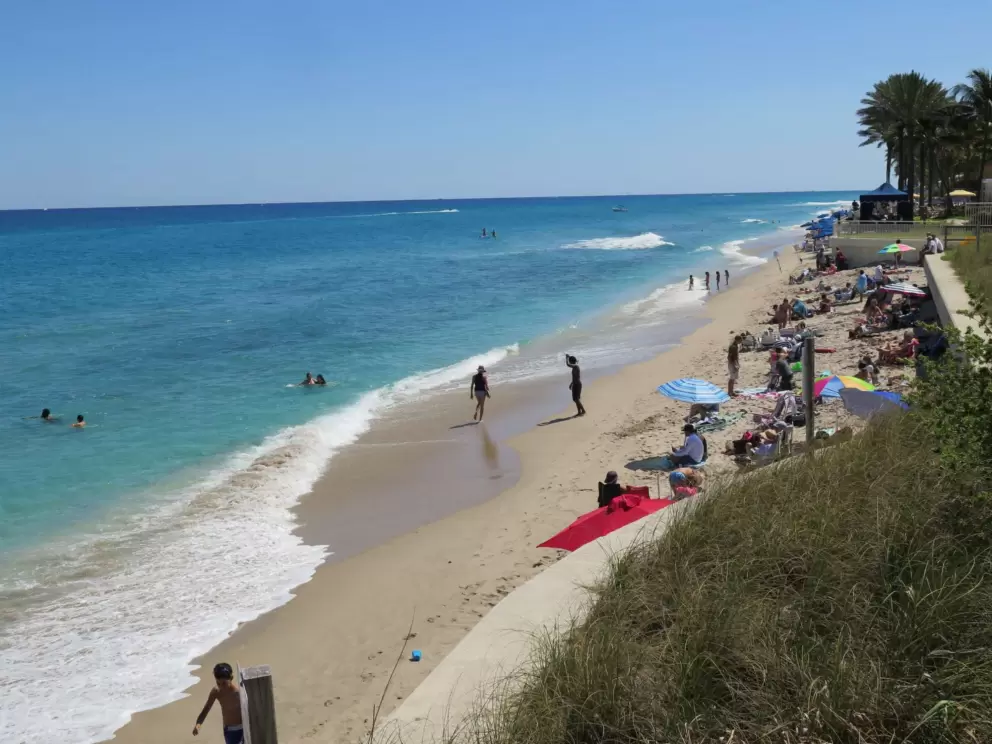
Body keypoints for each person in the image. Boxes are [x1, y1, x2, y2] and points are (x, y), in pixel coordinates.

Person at [192, 662, 244, 744]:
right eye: (218, 683)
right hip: (229, 730)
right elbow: (206, 709)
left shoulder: (239, 693)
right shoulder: (216, 691)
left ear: (231, 678)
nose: (221, 686)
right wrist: (198, 724)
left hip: (243, 728)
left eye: (224, 683)